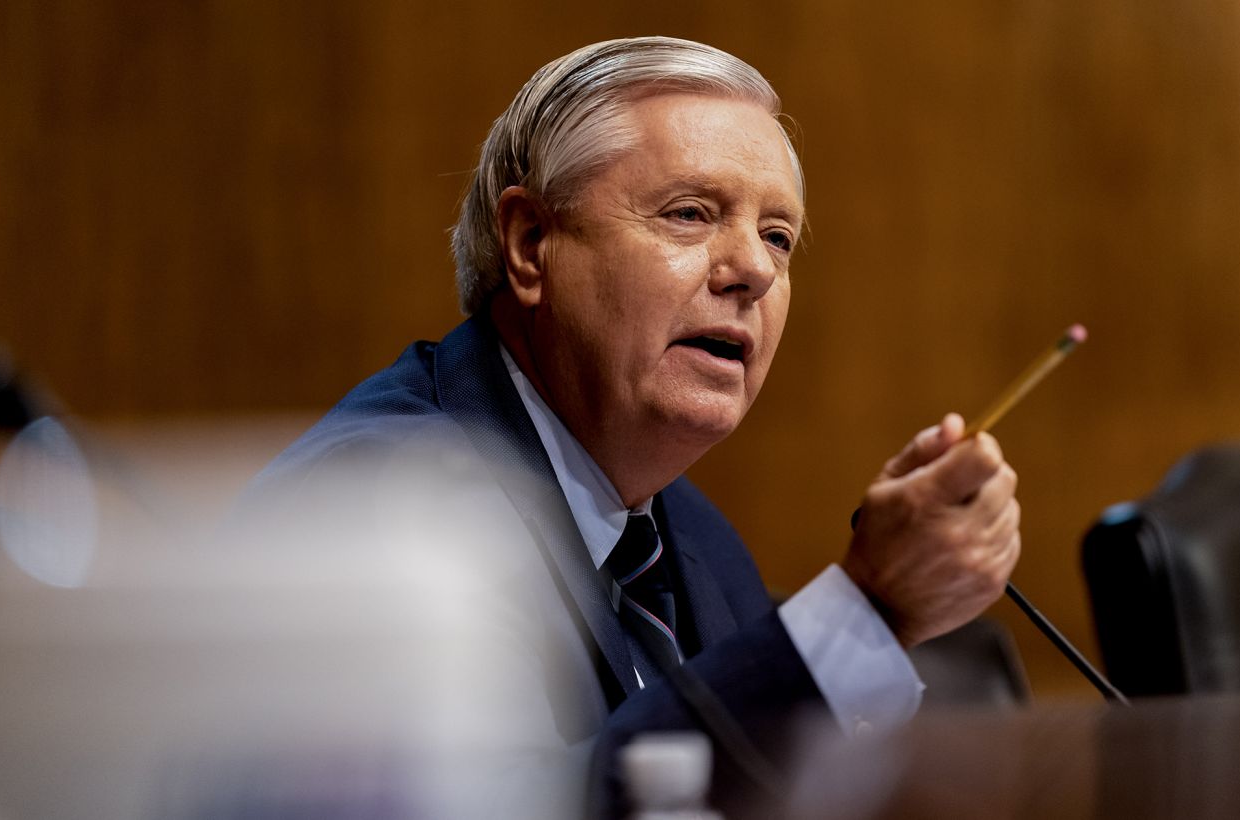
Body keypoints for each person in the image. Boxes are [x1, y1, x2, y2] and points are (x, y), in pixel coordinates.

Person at [248, 36, 1020, 816]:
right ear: (530, 243)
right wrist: (862, 615)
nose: (755, 270)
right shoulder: (379, 512)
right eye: (690, 214)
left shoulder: (695, 538)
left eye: (777, 237)